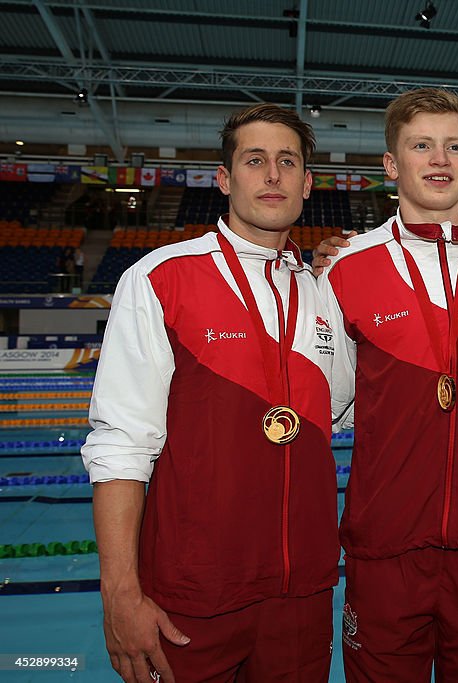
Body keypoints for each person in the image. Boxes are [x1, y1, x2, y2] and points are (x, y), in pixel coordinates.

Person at [82, 103, 340, 683]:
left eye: (287, 161)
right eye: (255, 160)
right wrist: (119, 592)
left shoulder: (325, 294)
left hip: (302, 595)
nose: (272, 175)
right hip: (192, 596)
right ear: (225, 179)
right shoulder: (160, 278)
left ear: (306, 182)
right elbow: (121, 445)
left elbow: (338, 416)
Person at [317, 88, 458, 683]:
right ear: (392, 164)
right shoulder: (346, 267)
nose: (438, 159)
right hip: (387, 541)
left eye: (454, 146)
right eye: (421, 145)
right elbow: (332, 404)